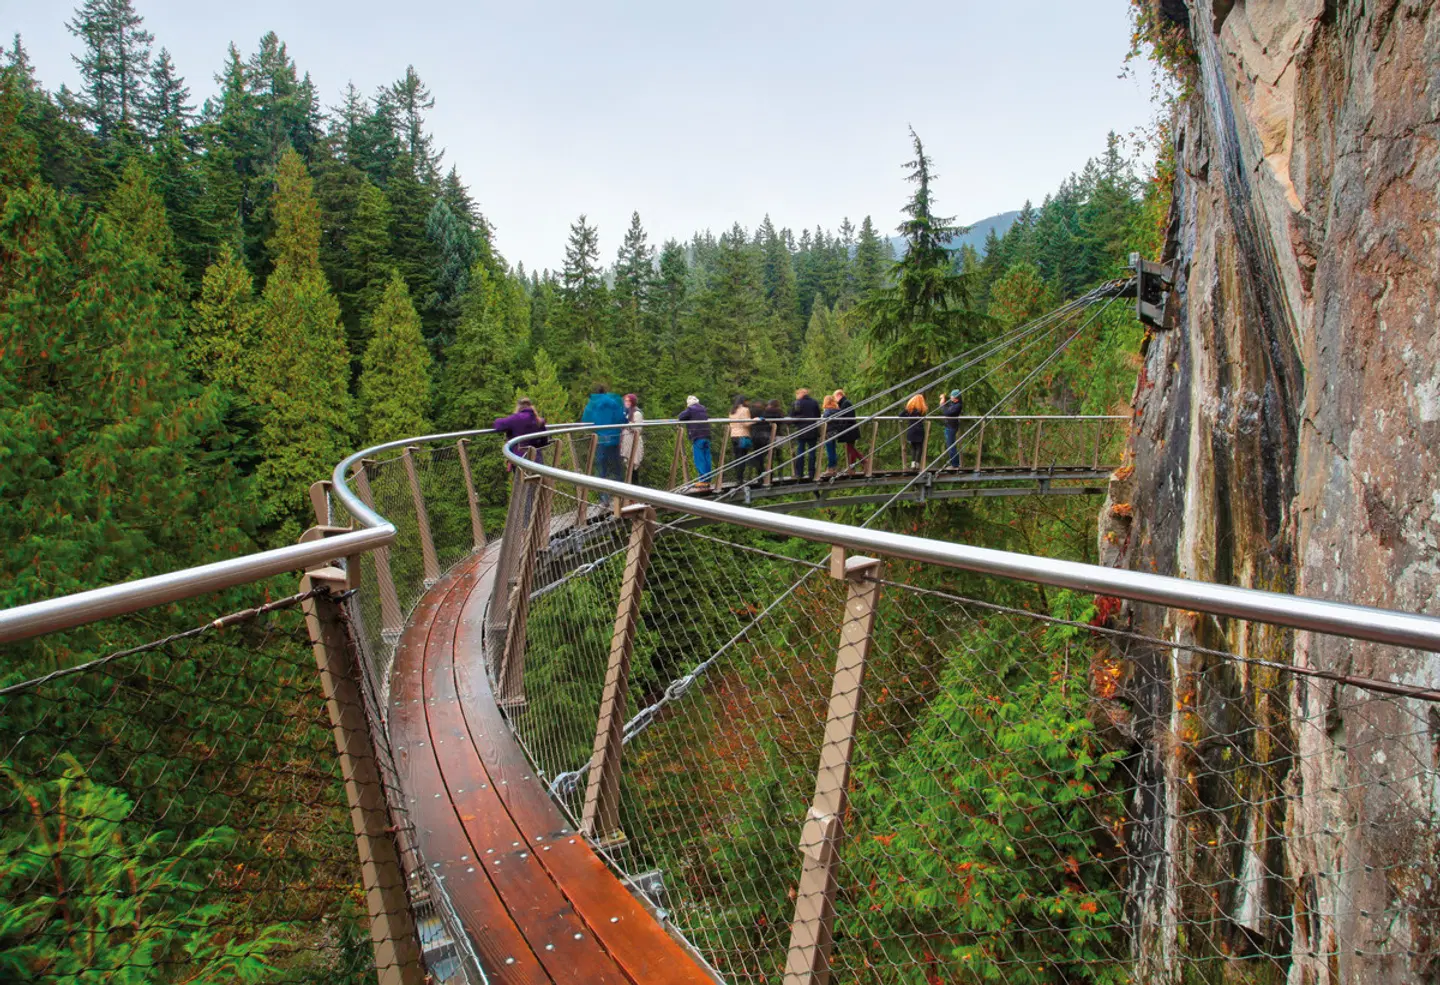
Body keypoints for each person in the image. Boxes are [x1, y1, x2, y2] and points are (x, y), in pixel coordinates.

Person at [581, 383, 627, 506]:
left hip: (601, 440)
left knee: (602, 469)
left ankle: (604, 498)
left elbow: (586, 421)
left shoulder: (592, 404)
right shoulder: (614, 402)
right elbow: (622, 419)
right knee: (617, 468)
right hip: (614, 439)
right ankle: (621, 496)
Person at [492, 397, 549, 468]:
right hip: (537, 461)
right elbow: (544, 441)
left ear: (518, 407)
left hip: (520, 461)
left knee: (519, 478)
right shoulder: (538, 420)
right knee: (538, 478)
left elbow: (498, 424)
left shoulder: (516, 418)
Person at [677, 395, 713, 490]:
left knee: (699, 459)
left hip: (697, 436)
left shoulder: (690, 409)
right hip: (707, 436)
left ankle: (703, 480)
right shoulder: (703, 408)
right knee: (707, 458)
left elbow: (680, 417)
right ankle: (708, 479)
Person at [790, 387, 821, 481]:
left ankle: (800, 473)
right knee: (812, 452)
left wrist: (798, 423)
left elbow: (792, 416)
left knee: (801, 451)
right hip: (812, 430)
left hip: (801, 430)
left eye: (797, 394)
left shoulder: (797, 403)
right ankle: (812, 473)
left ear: (800, 394)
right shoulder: (814, 402)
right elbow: (818, 415)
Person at [834, 389, 863, 471]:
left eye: (835, 396)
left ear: (839, 395)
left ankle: (863, 460)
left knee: (850, 448)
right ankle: (852, 467)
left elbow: (847, 418)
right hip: (849, 429)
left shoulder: (845, 403)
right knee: (850, 448)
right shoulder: (844, 403)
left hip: (849, 429)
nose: (834, 399)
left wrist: (842, 427)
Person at [728, 396, 753, 486]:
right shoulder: (745, 410)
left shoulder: (732, 411)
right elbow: (747, 423)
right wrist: (755, 420)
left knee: (737, 457)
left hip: (733, 435)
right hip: (742, 435)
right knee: (742, 458)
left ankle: (737, 478)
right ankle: (740, 479)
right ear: (744, 401)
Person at [621, 393, 645, 482]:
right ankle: (630, 489)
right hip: (627, 442)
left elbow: (638, 428)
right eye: (625, 401)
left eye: (629, 401)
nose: (626, 402)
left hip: (634, 442)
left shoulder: (637, 413)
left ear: (633, 402)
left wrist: (627, 423)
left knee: (634, 465)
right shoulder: (626, 412)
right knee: (628, 465)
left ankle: (635, 489)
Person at [900, 393, 928, 469]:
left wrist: (906, 409)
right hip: (919, 430)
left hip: (911, 430)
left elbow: (900, 415)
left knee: (913, 447)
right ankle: (917, 464)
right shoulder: (922, 410)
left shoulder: (909, 410)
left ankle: (913, 464)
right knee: (919, 447)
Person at [940, 388, 964, 469]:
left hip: (951, 427)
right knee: (950, 445)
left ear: (956, 398)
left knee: (951, 446)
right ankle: (954, 463)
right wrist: (943, 400)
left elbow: (947, 412)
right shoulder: (953, 403)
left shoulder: (958, 406)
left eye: (952, 396)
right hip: (949, 426)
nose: (950, 397)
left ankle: (955, 464)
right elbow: (947, 408)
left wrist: (942, 404)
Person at [820, 394, 841, 477]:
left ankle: (830, 469)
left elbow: (824, 420)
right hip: (835, 432)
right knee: (833, 450)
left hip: (828, 432)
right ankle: (834, 468)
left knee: (830, 451)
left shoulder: (828, 411)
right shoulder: (837, 410)